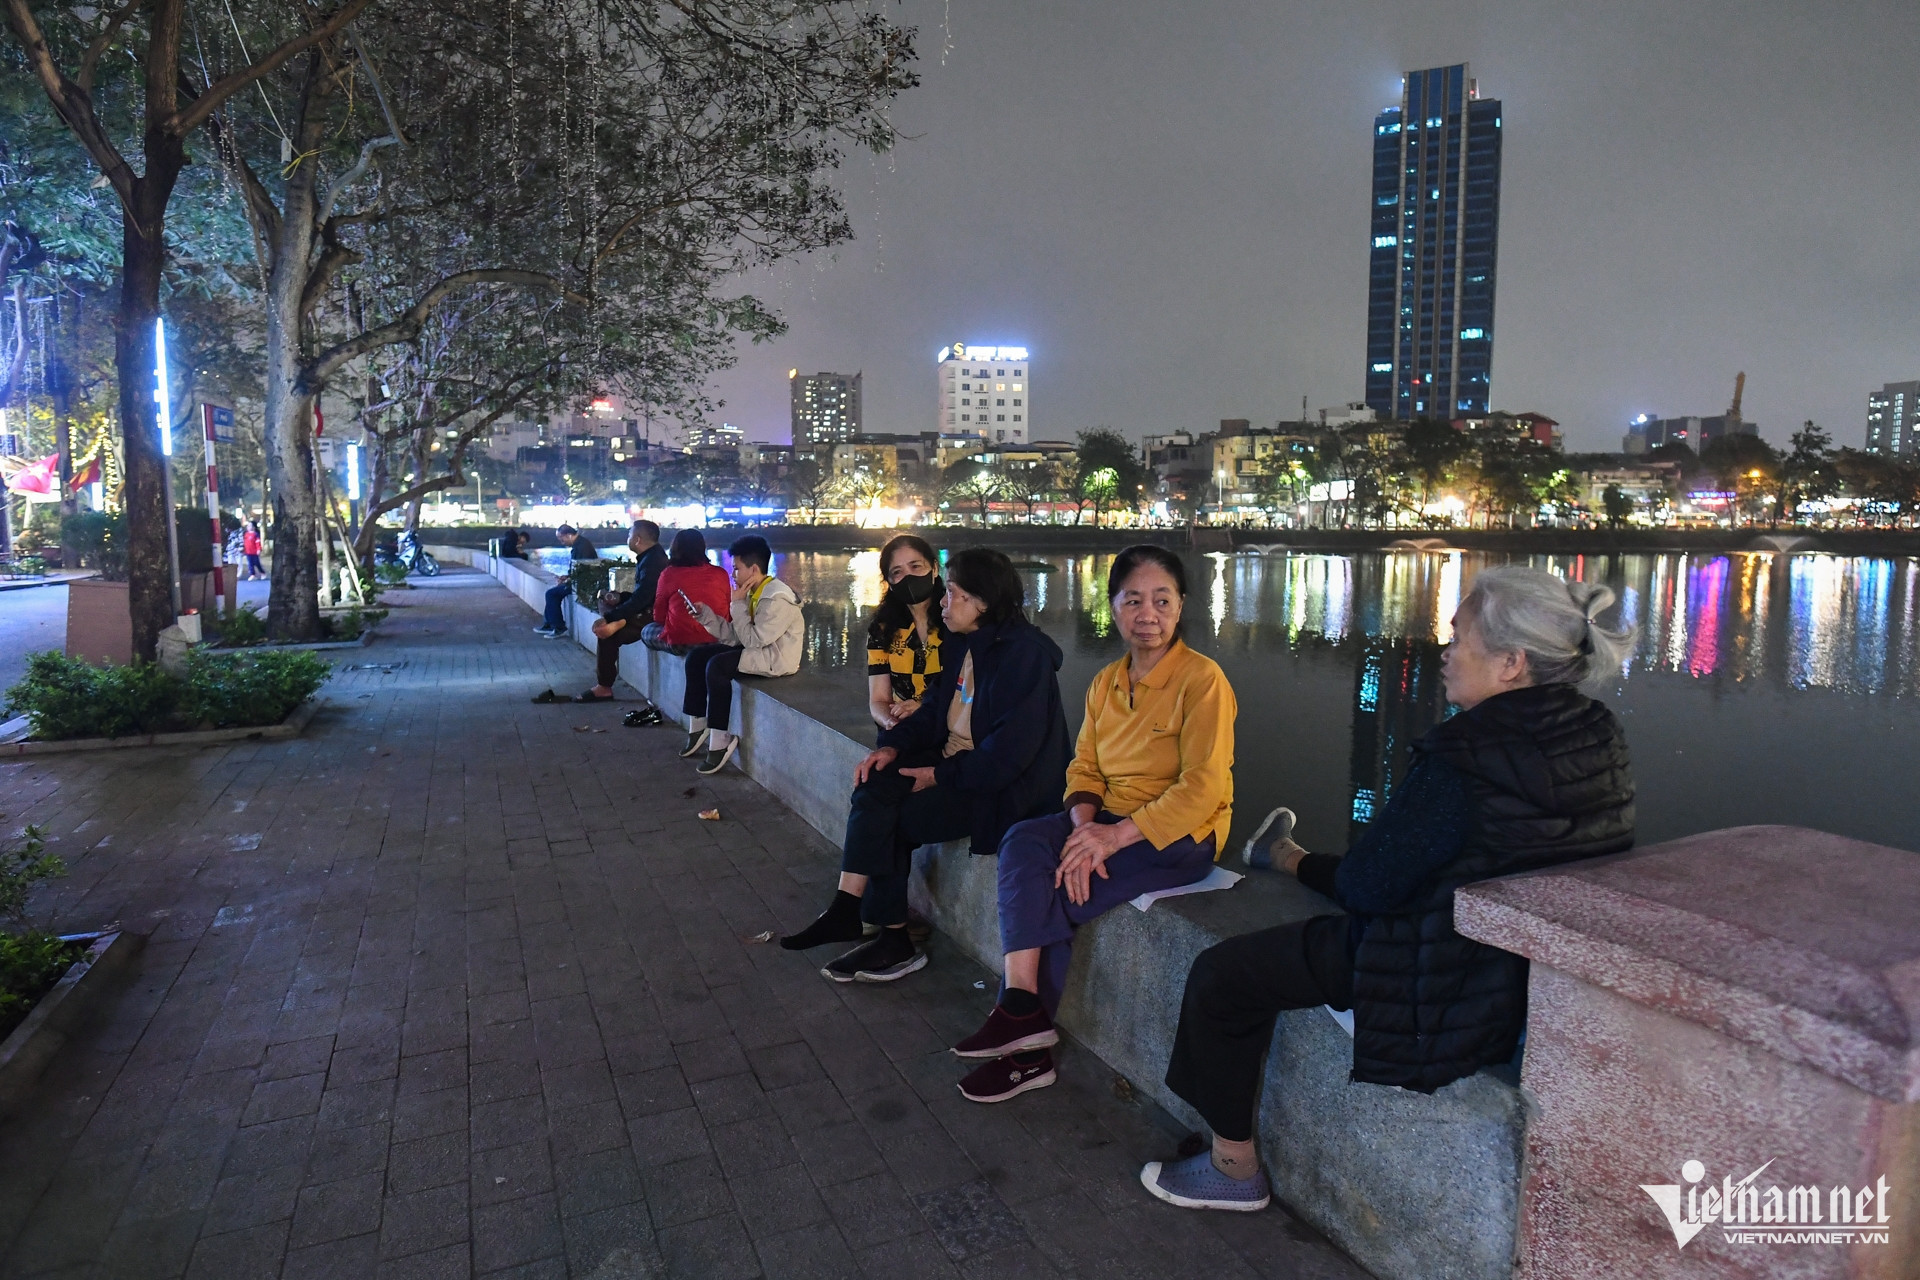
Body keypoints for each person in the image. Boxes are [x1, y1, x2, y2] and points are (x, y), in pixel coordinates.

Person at [1141, 566, 1636, 1213]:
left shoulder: (1466, 754)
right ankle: (1285, 856)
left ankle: (1233, 1168)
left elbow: (1371, 886)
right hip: (1528, 967)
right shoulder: (1597, 732)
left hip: (1440, 970)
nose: (1447, 653)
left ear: (1512, 663)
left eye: (1460, 639)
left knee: (1223, 976)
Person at [948, 545, 1235, 1104]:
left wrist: (1113, 836)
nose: (1147, 614)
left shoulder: (1203, 681)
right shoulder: (1106, 682)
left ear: (1180, 608)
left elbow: (1204, 788)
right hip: (1105, 818)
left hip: (1178, 833)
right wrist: (1085, 827)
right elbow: (1084, 768)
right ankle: (1022, 1011)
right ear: (1113, 607)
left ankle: (1026, 1050)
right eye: (1133, 600)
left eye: (1162, 600)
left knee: (1053, 889)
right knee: (1024, 838)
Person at [780, 547, 1070, 983]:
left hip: (1001, 790)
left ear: (984, 602)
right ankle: (855, 914)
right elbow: (934, 708)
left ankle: (888, 936)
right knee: (875, 783)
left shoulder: (1022, 657)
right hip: (956, 765)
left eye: (952, 594)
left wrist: (937, 775)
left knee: (893, 819)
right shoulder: (962, 643)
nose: (942, 602)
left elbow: (1008, 757)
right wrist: (892, 748)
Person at [679, 535, 805, 775]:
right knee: (697, 657)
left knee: (717, 666)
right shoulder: (754, 592)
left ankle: (720, 740)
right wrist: (704, 615)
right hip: (757, 651)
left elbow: (752, 640)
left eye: (736, 568)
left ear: (754, 568)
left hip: (776, 660)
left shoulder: (777, 598)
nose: (733, 574)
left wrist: (736, 604)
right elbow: (735, 636)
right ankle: (698, 724)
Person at [580, 520, 669, 707]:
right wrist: (619, 598)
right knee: (605, 598)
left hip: (648, 616)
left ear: (637, 539)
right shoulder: (652, 557)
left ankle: (604, 687)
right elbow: (643, 594)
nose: (626, 537)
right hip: (645, 609)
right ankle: (615, 620)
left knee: (607, 635)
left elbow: (643, 600)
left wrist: (612, 617)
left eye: (629, 534)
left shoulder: (653, 562)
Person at [866, 535, 947, 732]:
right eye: (897, 572)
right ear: (889, 582)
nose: (908, 576)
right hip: (901, 727)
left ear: (934, 568)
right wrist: (892, 725)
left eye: (916, 566)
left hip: (947, 727)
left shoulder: (954, 622)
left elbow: (970, 691)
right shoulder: (882, 629)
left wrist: (924, 708)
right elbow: (878, 700)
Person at [647, 529, 730, 652]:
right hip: (718, 640)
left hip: (682, 642)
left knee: (646, 631)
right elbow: (729, 608)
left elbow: (659, 616)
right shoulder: (721, 573)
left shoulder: (668, 574)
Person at [535, 524, 599, 637]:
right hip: (579, 580)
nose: (561, 542)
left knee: (551, 594)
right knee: (552, 592)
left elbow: (583, 570)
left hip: (582, 583)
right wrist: (567, 577)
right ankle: (550, 624)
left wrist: (568, 579)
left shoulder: (582, 547)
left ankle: (558, 626)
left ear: (569, 535)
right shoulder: (581, 544)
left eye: (562, 539)